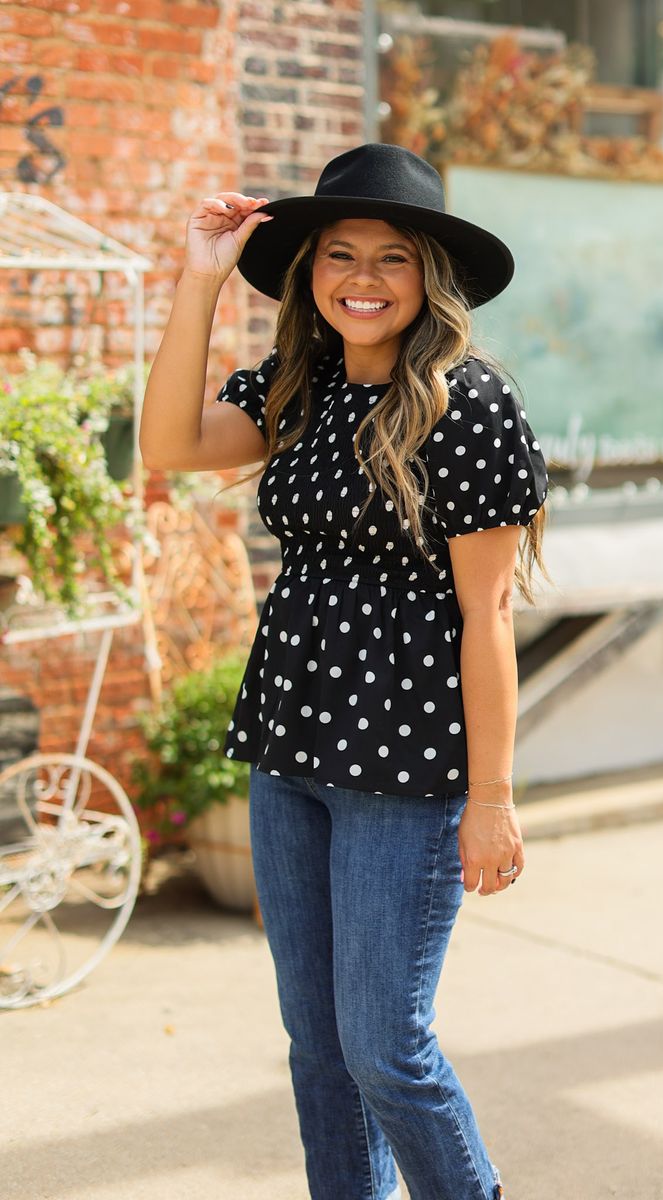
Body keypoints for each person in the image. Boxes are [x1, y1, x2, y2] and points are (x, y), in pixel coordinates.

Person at [140, 142, 549, 1200]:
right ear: (308, 273)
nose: (361, 279)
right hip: (289, 750)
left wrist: (491, 800)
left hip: (405, 774)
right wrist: (198, 275)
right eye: (338, 255)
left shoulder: (466, 404)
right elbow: (170, 443)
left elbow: (486, 608)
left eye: (391, 259)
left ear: (429, 279)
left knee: (383, 1049)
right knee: (315, 1047)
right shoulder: (297, 388)